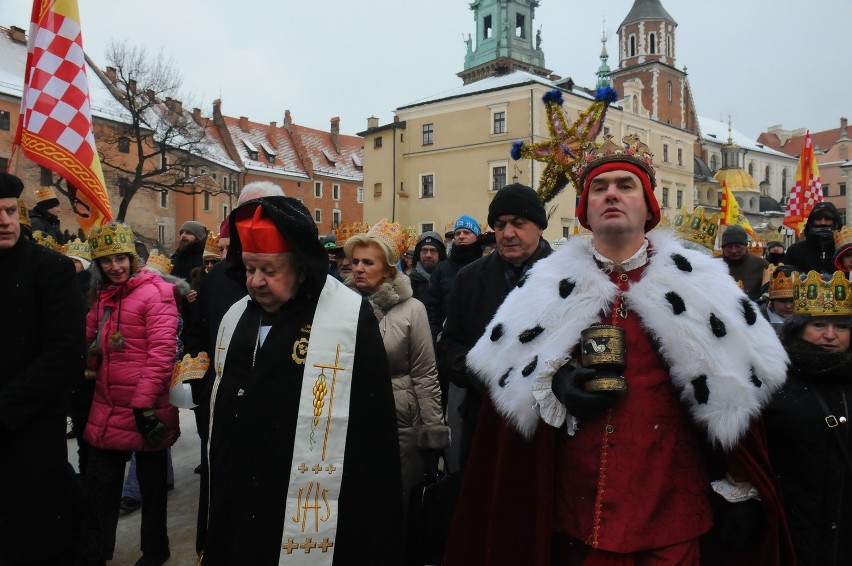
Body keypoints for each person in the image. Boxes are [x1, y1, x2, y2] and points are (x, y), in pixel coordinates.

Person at [443, 134, 794, 565]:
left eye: (625, 186)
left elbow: (741, 394)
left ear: (649, 207)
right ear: (584, 211)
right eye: (599, 187)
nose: (611, 193)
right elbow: (502, 399)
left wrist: (743, 487)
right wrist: (552, 383)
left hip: (675, 517)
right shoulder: (545, 287)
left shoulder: (700, 283)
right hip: (576, 518)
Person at [201, 197, 404, 564]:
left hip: (305, 495)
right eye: (249, 269)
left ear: (300, 266)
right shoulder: (236, 317)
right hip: (244, 489)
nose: (256, 282)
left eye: (269, 270)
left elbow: (371, 428)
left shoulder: (347, 316)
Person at [77, 222, 180, 566]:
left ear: (133, 259)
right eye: (106, 261)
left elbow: (162, 352)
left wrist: (142, 404)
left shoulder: (156, 293)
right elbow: (90, 340)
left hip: (145, 408)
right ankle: (96, 551)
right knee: (99, 488)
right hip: (107, 405)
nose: (115, 267)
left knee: (152, 490)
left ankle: (155, 551)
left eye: (121, 258)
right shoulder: (101, 297)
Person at [0, 172, 85, 565]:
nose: (5, 220)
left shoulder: (49, 269)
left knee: (35, 538)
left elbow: (64, 353)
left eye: (10, 211)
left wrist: (6, 408)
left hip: (32, 428)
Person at [437, 188, 551, 476]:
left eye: (518, 223)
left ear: (539, 226)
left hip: (548, 424)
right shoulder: (470, 278)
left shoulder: (566, 276)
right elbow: (450, 345)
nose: (508, 233)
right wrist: (478, 371)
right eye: (499, 225)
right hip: (486, 420)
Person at [344, 221, 449, 528]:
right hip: (352, 420)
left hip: (400, 423)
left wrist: (432, 429)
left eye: (368, 262)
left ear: (389, 270)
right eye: (356, 262)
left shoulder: (411, 309)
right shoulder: (341, 306)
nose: (359, 269)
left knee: (398, 506)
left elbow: (425, 372)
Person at [764, 270, 852, 566]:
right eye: (818, 325)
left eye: (840, 326)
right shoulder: (773, 381)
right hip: (791, 526)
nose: (830, 335)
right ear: (799, 329)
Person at [425, 214, 484, 340]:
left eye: (467, 232)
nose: (461, 236)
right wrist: (435, 335)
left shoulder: (486, 266)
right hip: (448, 338)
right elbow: (433, 307)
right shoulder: (442, 268)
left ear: (477, 236)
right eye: (457, 233)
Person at [783, 201, 842, 274]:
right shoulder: (795, 250)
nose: (823, 222)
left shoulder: (845, 250)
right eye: (818, 219)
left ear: (835, 222)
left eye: (828, 219)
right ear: (811, 221)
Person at [720, 224, 769, 301]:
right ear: (723, 247)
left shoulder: (761, 265)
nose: (734, 250)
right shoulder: (713, 264)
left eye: (738, 246)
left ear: (746, 246)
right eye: (729, 247)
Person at [408, 230, 446, 301]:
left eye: (433, 251)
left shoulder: (448, 279)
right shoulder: (409, 282)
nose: (428, 255)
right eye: (424, 250)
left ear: (440, 254)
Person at [760, 264, 796, 332]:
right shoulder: (757, 320)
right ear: (772, 301)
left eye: (793, 300)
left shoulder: (810, 322)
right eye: (783, 300)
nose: (788, 306)